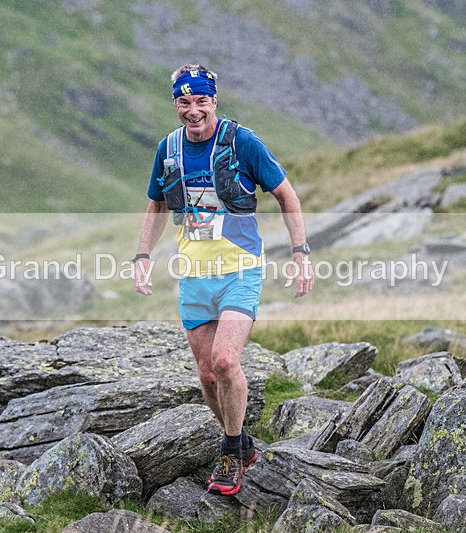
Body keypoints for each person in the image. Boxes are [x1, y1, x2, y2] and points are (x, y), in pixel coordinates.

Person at [133, 64, 313, 495]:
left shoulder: (242, 142)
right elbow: (157, 205)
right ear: (176, 103)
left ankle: (231, 451)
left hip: (241, 268)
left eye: (200, 102)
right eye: (184, 102)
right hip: (194, 274)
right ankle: (242, 443)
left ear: (214, 101)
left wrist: (301, 252)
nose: (192, 111)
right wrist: (142, 255)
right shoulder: (169, 148)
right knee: (208, 377)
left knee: (225, 361)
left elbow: (286, 195)